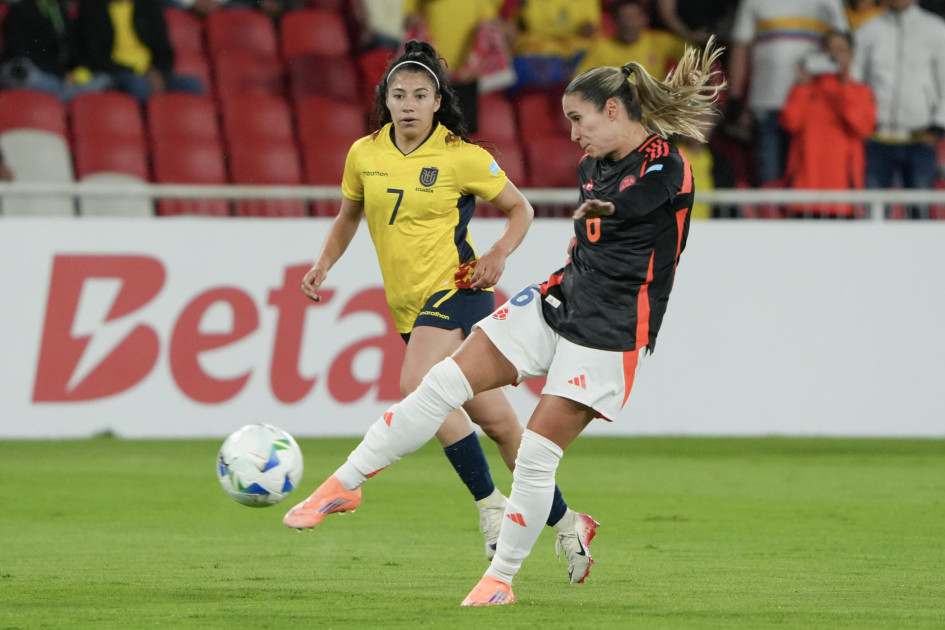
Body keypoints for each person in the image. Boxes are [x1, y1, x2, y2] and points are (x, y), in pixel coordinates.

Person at [283, 38, 725, 605]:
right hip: (559, 298)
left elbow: (629, 208)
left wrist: (592, 216)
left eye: (578, 119)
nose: (573, 135)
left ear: (613, 110)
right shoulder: (592, 164)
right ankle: (345, 484)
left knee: (533, 454)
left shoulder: (667, 165)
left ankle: (500, 578)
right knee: (443, 389)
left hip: (611, 329)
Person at [285, 40, 596, 581]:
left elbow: (520, 209)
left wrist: (498, 254)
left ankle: (488, 504)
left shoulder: (461, 155)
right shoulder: (364, 154)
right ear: (385, 100)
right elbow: (348, 216)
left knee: (417, 386)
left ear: (436, 102)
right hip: (410, 308)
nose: (408, 104)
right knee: (502, 427)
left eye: (419, 95)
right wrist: (323, 264)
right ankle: (570, 522)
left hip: (460, 290)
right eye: (398, 94)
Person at [727, 0, 849, 185]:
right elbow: (740, 48)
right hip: (766, 106)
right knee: (770, 182)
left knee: (806, 180)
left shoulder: (830, 2)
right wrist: (735, 100)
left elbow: (843, 48)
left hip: (812, 109)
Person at [851, 0, 945, 219]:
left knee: (920, 212)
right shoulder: (868, 31)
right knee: (874, 213)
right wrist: (861, 124)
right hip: (876, 138)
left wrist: (939, 125)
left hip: (920, 137)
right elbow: (856, 83)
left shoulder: (936, 29)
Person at [780, 30, 876, 218]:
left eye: (840, 50)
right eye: (829, 49)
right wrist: (801, 85)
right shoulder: (805, 88)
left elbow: (863, 127)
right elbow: (790, 122)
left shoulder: (860, 91)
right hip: (803, 194)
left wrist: (843, 87)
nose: (834, 55)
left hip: (843, 196)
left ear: (850, 56)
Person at [74, 0, 204, 103]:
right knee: (138, 84)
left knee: (192, 85)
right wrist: (133, 72)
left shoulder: (148, 5)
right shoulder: (92, 7)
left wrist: (158, 72)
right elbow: (94, 56)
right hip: (116, 74)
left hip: (150, 72)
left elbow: (164, 50)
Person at [0, 0, 111, 101]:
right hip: (32, 70)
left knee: (103, 79)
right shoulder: (19, 11)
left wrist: (73, 70)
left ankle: (68, 93)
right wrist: (61, 74)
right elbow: (22, 52)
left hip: (57, 73)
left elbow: (71, 50)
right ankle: (68, 93)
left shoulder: (60, 11)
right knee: (26, 72)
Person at [575, 0, 687, 79]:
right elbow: (579, 82)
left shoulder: (661, 41)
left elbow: (693, 54)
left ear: (644, 19)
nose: (629, 24)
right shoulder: (601, 48)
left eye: (634, 17)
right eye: (624, 18)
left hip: (653, 103)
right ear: (614, 22)